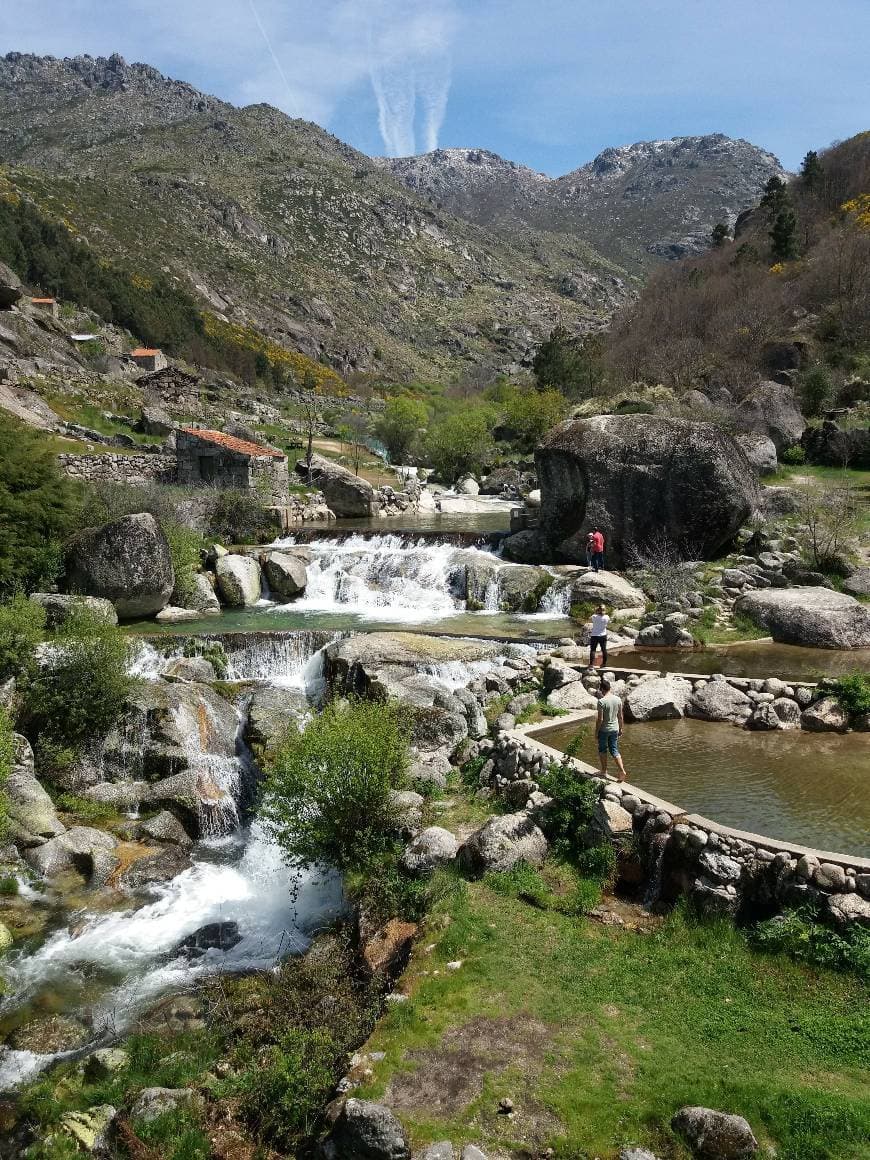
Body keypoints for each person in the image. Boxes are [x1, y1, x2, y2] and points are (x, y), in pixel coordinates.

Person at [596, 677, 627, 782]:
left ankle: (604, 771)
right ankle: (622, 770)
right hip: (615, 729)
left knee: (602, 750)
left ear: (602, 689)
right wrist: (621, 729)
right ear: (610, 688)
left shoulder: (601, 701)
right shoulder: (618, 699)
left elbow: (600, 719)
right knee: (614, 750)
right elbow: (620, 717)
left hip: (604, 730)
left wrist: (596, 732)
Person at [588, 603, 609, 668]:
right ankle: (604, 664)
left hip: (594, 635)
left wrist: (596, 611)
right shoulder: (607, 617)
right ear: (604, 610)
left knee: (593, 650)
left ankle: (591, 665)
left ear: (598, 610)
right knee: (604, 650)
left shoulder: (594, 616)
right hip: (603, 635)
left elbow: (589, 618)